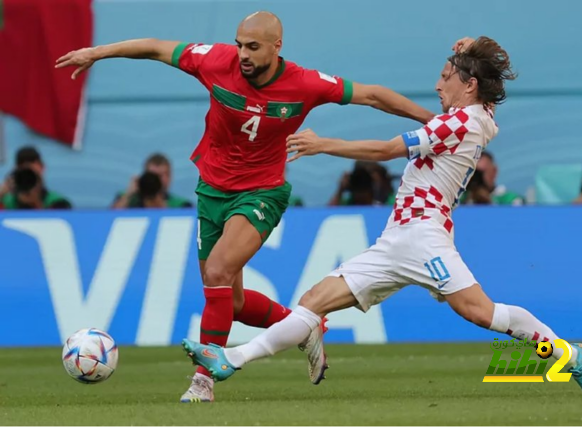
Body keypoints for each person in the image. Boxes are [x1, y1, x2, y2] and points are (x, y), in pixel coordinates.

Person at [181, 36, 582, 397]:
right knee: (312, 303)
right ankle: (230, 359)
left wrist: (324, 144)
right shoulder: (482, 115)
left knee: (482, 313)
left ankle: (567, 354)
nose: (437, 84)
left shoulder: (456, 124)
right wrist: (471, 43)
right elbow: (488, 77)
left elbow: (386, 151)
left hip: (424, 237)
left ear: (469, 84)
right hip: (397, 238)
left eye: (446, 77)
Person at [56, 11, 435, 402]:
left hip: (261, 193)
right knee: (230, 302)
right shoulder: (215, 61)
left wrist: (434, 121)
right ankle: (303, 326)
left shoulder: (305, 84)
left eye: (252, 47)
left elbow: (372, 95)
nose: (243, 54)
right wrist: (97, 53)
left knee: (218, 271)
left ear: (277, 46)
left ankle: (203, 381)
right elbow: (154, 48)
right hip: (212, 190)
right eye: (239, 44)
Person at [0, 146, 72, 210]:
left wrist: (37, 203)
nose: (28, 180)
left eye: (31, 175)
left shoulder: (57, 202)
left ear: (42, 168)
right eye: (24, 175)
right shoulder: (7, 204)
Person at [112, 153, 193, 209]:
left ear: (169, 177)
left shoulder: (182, 206)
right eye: (153, 175)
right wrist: (129, 193)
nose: (155, 181)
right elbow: (109, 219)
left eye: (161, 176)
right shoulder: (127, 200)